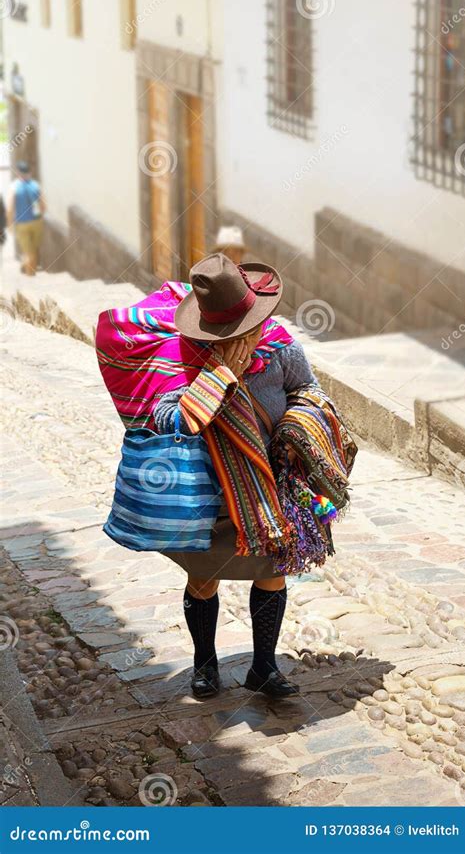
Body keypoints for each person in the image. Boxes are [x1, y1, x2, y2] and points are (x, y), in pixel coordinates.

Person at [152, 254, 319, 700]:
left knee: (271, 571)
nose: (248, 337)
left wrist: (295, 429)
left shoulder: (282, 349)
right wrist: (217, 379)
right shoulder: (184, 359)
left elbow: (309, 392)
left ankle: (263, 667)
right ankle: (205, 665)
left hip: (269, 488)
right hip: (209, 490)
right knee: (204, 577)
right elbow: (164, 415)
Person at [7, 161, 45, 275]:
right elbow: (43, 205)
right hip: (37, 222)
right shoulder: (36, 185)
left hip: (22, 224)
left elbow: (9, 209)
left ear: (18, 173)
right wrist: (40, 217)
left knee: (29, 253)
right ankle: (27, 266)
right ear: (30, 172)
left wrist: (10, 225)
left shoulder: (14, 187)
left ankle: (30, 276)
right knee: (33, 250)